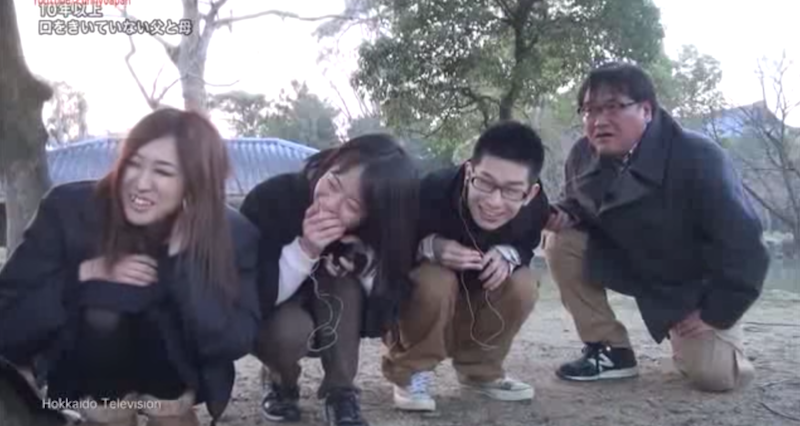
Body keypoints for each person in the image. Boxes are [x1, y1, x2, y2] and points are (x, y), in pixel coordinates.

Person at [0, 108, 261, 426]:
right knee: (105, 309)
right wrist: (81, 276)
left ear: (194, 184)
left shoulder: (231, 233)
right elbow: (7, 320)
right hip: (87, 371)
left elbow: (232, 340)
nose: (141, 183)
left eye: (163, 172)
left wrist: (185, 262)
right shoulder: (68, 211)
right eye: (134, 164)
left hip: (176, 376)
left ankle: (172, 411)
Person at [543, 62, 770, 392]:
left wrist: (716, 311)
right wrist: (561, 214)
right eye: (590, 110)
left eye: (613, 107)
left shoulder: (697, 155)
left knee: (715, 377)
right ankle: (610, 350)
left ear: (646, 110)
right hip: (628, 262)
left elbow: (745, 246)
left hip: (690, 282)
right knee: (560, 239)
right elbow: (576, 204)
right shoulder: (581, 154)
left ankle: (699, 337)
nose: (599, 121)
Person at [239, 133, 420, 426]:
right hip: (280, 314)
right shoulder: (272, 198)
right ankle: (281, 382)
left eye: (352, 206)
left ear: (373, 215)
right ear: (330, 163)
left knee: (343, 281)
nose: (331, 204)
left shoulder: (381, 232)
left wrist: (366, 265)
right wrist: (306, 250)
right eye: (333, 183)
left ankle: (341, 391)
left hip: (337, 315)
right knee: (288, 332)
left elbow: (389, 307)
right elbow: (249, 297)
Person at [381, 121, 550, 412]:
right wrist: (430, 247)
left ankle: (480, 370)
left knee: (524, 283)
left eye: (511, 191)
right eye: (485, 183)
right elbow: (387, 252)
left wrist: (509, 254)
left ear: (530, 193)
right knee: (436, 279)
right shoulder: (429, 190)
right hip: (418, 306)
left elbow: (526, 244)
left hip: (475, 302)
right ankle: (410, 371)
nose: (494, 202)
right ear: (469, 170)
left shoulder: (536, 207)